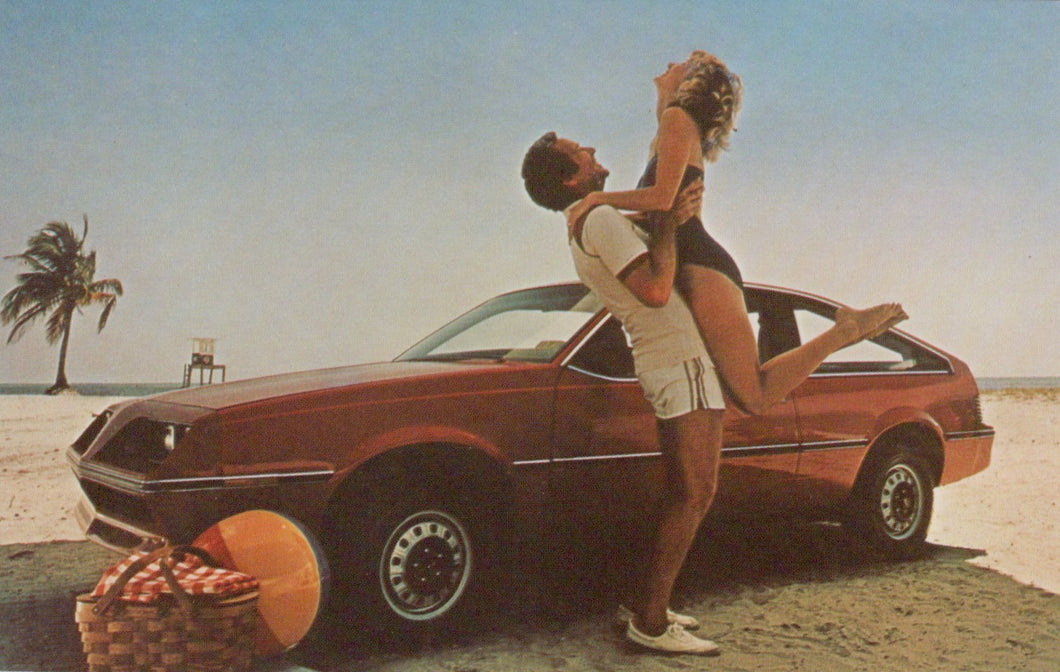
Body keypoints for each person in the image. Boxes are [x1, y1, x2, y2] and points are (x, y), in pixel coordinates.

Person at [564, 51, 907, 415]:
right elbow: (662, 208)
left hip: (702, 266)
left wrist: (598, 198)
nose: (668, 64)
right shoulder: (670, 125)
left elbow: (662, 199)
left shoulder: (677, 120)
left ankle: (845, 330)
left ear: (690, 83)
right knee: (744, 393)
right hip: (691, 260)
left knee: (754, 396)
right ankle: (845, 330)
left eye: (680, 64)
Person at [523, 131, 724, 655]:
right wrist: (669, 225)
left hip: (663, 360)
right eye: (580, 151)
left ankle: (646, 604)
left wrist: (666, 218)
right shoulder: (599, 219)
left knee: (683, 492)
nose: (591, 148)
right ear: (571, 177)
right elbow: (657, 291)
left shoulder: (591, 220)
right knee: (696, 493)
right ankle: (652, 624)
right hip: (678, 359)